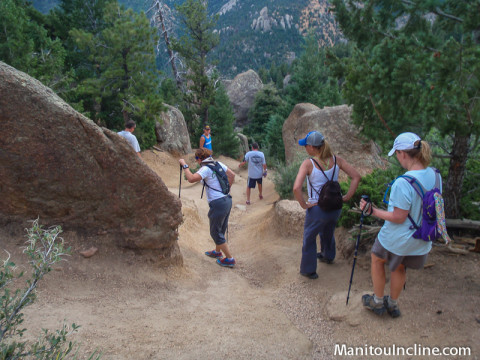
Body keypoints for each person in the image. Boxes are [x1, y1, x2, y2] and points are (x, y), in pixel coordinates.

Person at [360, 132, 439, 318]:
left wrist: (373, 211)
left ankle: (378, 301)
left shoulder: (404, 183)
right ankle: (393, 304)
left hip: (398, 238)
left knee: (377, 259)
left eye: (396, 153)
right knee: (400, 266)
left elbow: (398, 217)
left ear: (403, 153)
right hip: (422, 238)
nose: (397, 157)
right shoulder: (435, 175)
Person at [293, 131, 360, 279]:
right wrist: (346, 197)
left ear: (312, 147)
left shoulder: (309, 164)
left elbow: (296, 188)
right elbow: (356, 176)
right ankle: (328, 255)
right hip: (335, 207)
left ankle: (308, 270)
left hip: (317, 208)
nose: (305, 149)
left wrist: (304, 205)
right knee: (328, 232)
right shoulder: (337, 160)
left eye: (306, 146)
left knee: (309, 238)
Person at [179, 148, 236, 268]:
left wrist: (185, 166)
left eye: (196, 159)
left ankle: (230, 259)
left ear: (199, 159)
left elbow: (191, 179)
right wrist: (226, 189)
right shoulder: (217, 163)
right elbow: (231, 174)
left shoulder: (205, 168)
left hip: (218, 203)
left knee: (215, 232)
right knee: (221, 228)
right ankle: (217, 252)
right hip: (227, 200)